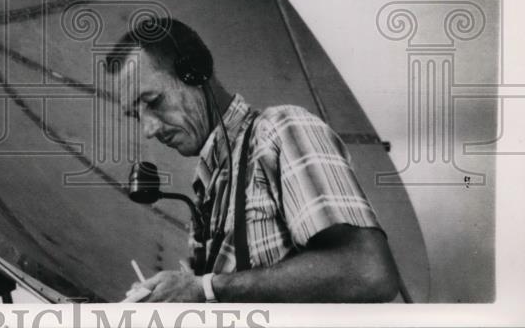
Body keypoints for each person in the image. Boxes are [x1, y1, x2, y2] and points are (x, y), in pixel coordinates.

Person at [104, 17, 401, 303]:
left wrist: (207, 288)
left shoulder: (279, 131)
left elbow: (368, 270)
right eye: (135, 116)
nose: (149, 129)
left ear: (195, 72)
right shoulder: (207, 191)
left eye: (154, 102)